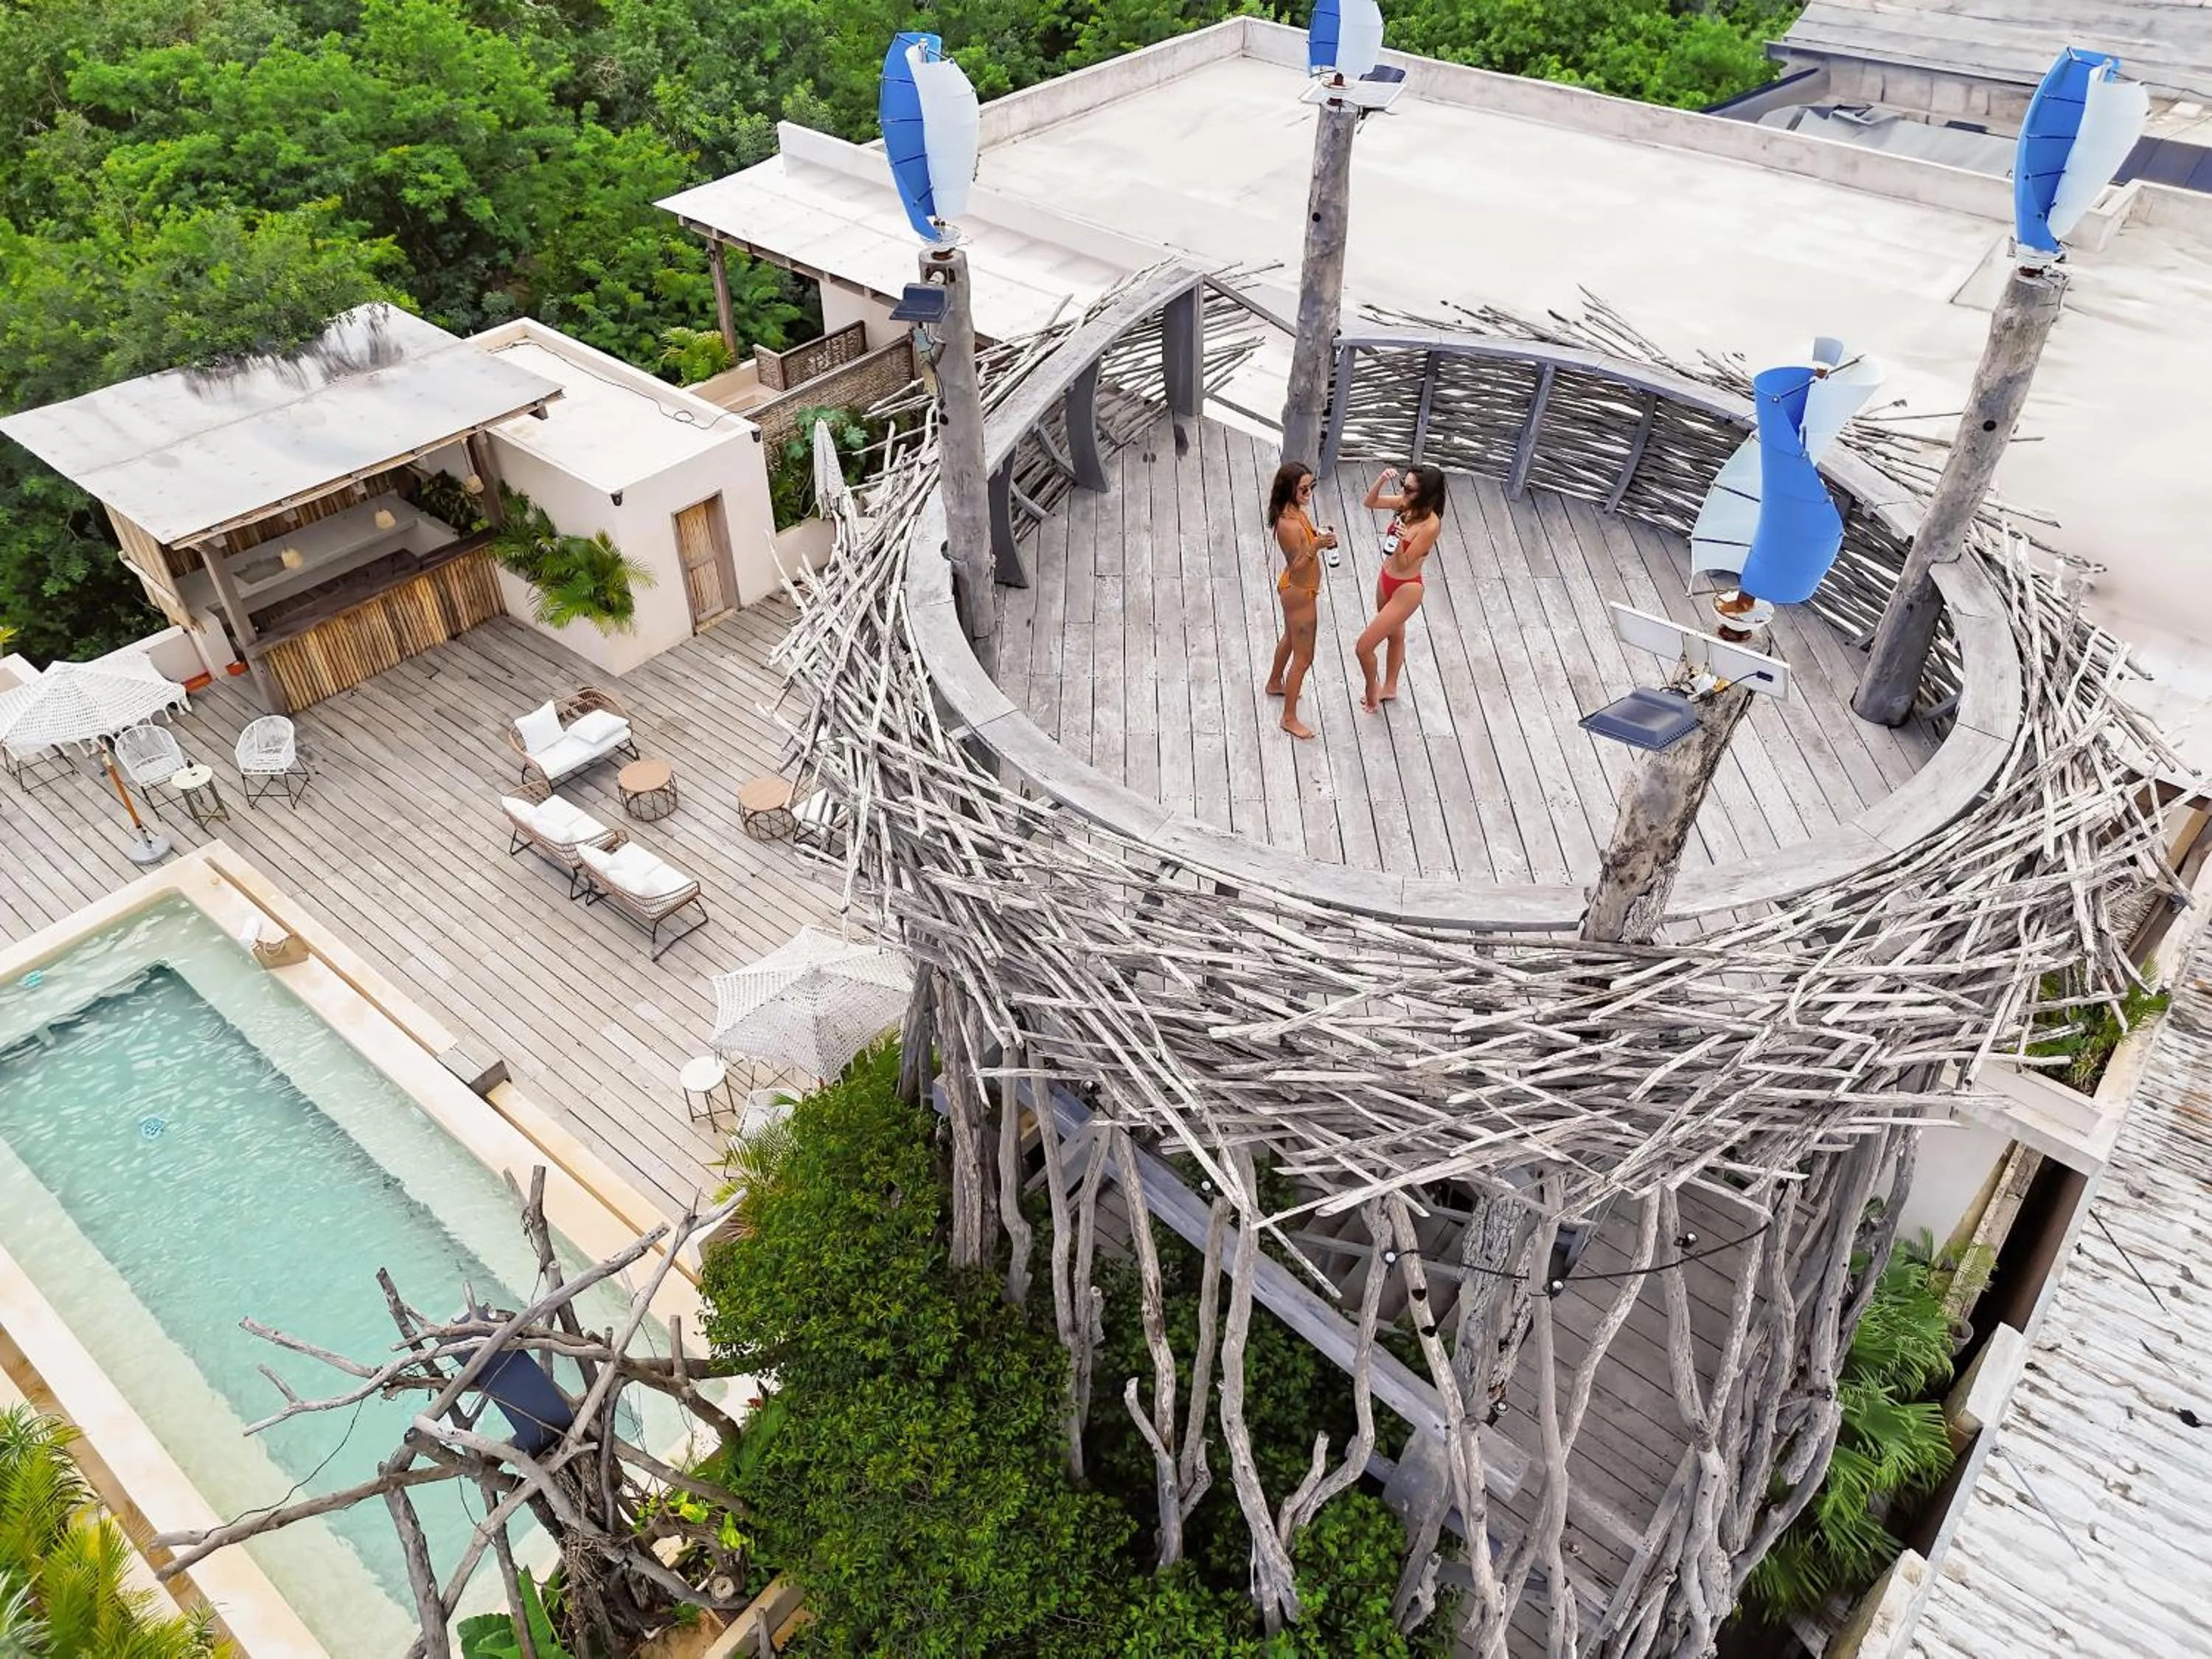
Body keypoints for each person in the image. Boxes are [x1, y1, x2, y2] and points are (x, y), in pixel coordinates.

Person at [1354, 464, 1447, 713]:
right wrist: (1381, 481)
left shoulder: (1430, 525)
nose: (1404, 492)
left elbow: (1405, 561)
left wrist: (1398, 539)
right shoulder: (1408, 504)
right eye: (1403, 486)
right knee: (1395, 635)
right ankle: (1391, 687)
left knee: (1364, 647)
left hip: (1407, 588)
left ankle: (1372, 691)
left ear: (1428, 494)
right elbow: (1369, 502)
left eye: (1410, 489)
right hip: (1386, 578)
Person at [1264, 462, 1335, 740]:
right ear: (1290, 490)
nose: (1309, 493)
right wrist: (1315, 546)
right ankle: (1289, 717)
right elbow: (1296, 566)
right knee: (1304, 658)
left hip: (1297, 590)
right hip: (1300, 594)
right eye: (1304, 488)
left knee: (1291, 639)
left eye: (1311, 487)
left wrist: (1316, 536)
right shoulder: (1288, 524)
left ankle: (1274, 682)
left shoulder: (1296, 514)